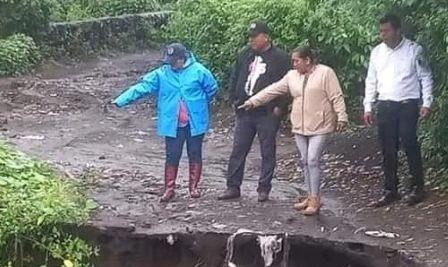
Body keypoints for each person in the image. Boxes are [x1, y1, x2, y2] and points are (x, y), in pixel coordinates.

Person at [240, 46, 348, 216]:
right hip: (300, 124)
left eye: (297, 61)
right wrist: (253, 101)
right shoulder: (292, 76)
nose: (294, 64)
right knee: (305, 160)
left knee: (313, 159)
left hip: (321, 123)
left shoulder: (325, 73)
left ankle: (315, 198)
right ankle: (309, 195)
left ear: (308, 60)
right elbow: (273, 90)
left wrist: (342, 116)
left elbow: (336, 95)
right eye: (293, 61)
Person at [113, 43, 219, 202]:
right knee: (172, 155)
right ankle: (169, 188)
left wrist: (199, 104)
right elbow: (142, 87)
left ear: (183, 59)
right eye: (169, 61)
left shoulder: (199, 71)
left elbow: (212, 89)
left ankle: (193, 187)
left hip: (195, 121)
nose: (171, 64)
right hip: (172, 122)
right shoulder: (162, 74)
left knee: (195, 153)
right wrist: (120, 100)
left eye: (174, 61)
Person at [363, 13, 434, 207]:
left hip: (407, 104)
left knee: (410, 143)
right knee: (388, 148)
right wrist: (368, 105)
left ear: (397, 30)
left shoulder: (413, 50)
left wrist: (427, 102)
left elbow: (425, 76)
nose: (382, 35)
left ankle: (417, 187)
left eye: (386, 31)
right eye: (381, 31)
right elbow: (371, 80)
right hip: (385, 104)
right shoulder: (377, 52)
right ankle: (390, 190)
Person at [218, 21, 290, 202]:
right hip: (244, 110)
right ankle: (233, 186)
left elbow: (288, 84)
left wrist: (280, 107)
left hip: (267, 112)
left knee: (267, 150)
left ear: (266, 37)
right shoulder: (245, 54)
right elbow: (235, 76)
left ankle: (264, 188)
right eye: (250, 36)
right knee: (238, 149)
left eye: (255, 36)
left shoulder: (280, 58)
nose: (251, 40)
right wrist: (233, 97)